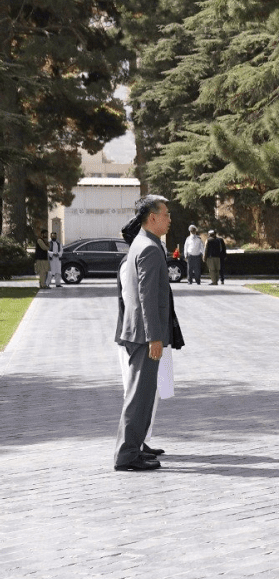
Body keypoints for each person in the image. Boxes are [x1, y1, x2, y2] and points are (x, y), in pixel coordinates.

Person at [113, 195, 175, 471]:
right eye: (166, 215)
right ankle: (126, 455)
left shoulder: (143, 243)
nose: (170, 219)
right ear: (152, 218)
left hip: (138, 332)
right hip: (143, 334)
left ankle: (134, 449)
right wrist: (154, 337)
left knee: (143, 395)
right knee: (139, 397)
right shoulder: (149, 247)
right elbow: (147, 297)